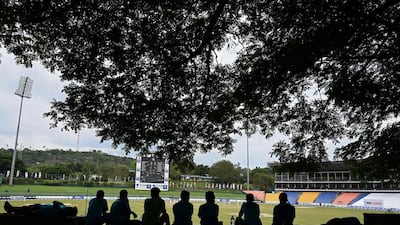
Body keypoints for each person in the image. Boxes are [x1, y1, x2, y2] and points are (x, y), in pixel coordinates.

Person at [3, 200, 77, 217]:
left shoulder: (62, 212)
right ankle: (12, 209)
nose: (69, 207)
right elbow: (57, 203)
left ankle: (11, 209)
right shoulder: (63, 209)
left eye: (71, 208)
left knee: (26, 210)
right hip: (40, 208)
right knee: (25, 208)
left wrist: (61, 205)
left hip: (39, 211)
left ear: (69, 210)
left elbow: (55, 202)